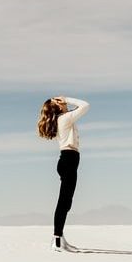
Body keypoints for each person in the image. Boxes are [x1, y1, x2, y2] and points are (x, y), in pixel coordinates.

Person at [37, 95, 91, 252]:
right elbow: (85, 105)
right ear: (58, 107)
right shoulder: (64, 119)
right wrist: (67, 99)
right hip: (68, 160)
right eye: (59, 102)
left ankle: (60, 238)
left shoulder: (63, 118)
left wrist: (63, 103)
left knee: (66, 202)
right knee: (64, 202)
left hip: (68, 160)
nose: (62, 102)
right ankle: (57, 241)